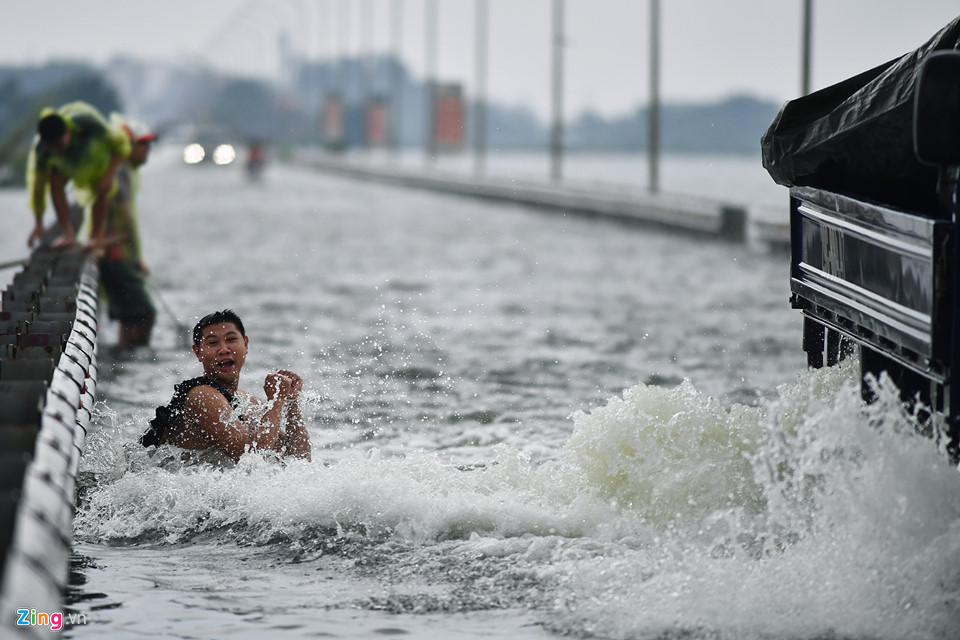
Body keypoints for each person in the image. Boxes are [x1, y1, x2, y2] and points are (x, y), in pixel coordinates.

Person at [140, 309, 311, 462]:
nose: (224, 349)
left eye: (231, 339)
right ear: (198, 352)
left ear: (246, 344)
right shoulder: (201, 396)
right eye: (213, 343)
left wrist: (291, 403)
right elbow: (252, 460)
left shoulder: (246, 401)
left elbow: (299, 461)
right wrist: (276, 401)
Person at [26, 101, 131, 249]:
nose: (56, 150)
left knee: (102, 189)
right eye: (52, 147)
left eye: (59, 145)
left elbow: (119, 146)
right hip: (64, 166)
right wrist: (38, 223)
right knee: (54, 183)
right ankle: (68, 234)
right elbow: (38, 188)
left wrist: (109, 175)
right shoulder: (43, 150)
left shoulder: (88, 123)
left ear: (67, 131)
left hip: (94, 157)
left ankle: (94, 236)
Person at [98, 115, 158, 347]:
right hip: (117, 255)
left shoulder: (123, 171)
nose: (147, 150)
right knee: (144, 314)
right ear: (128, 146)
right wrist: (132, 256)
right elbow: (121, 216)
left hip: (120, 254)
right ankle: (129, 357)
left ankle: (123, 355)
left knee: (130, 316)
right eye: (143, 144)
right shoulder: (119, 172)